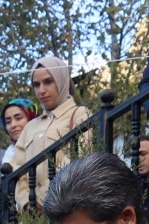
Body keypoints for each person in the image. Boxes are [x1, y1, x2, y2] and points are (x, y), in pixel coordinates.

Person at [7, 57, 93, 213]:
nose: (41, 90)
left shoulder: (80, 114)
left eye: (48, 82)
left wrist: (48, 197)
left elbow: (79, 158)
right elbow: (16, 168)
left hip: (65, 210)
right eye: (36, 85)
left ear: (61, 80)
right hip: (33, 221)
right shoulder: (30, 126)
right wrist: (27, 201)